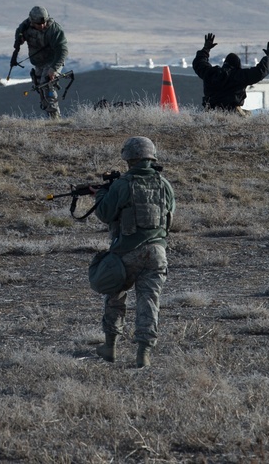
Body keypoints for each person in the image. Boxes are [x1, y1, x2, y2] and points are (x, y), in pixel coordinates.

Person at [92, 136, 175, 368]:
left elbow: (105, 213)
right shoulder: (164, 184)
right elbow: (170, 214)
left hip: (126, 252)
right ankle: (143, 354)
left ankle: (110, 346)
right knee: (149, 302)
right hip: (157, 253)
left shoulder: (121, 185)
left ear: (128, 158)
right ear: (151, 157)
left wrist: (100, 194)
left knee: (115, 295)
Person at [192, 33, 269, 112]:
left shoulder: (211, 73)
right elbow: (260, 71)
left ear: (224, 64)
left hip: (210, 111)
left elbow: (199, 63)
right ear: (238, 65)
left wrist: (206, 49)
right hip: (232, 112)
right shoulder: (240, 75)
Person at [12, 6, 68, 118]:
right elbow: (19, 34)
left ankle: (55, 117)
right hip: (39, 62)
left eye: (44, 23)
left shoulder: (54, 30)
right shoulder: (25, 27)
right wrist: (20, 39)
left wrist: (53, 69)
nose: (42, 26)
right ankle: (50, 114)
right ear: (32, 21)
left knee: (47, 84)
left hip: (53, 61)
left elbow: (63, 51)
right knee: (39, 86)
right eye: (38, 24)